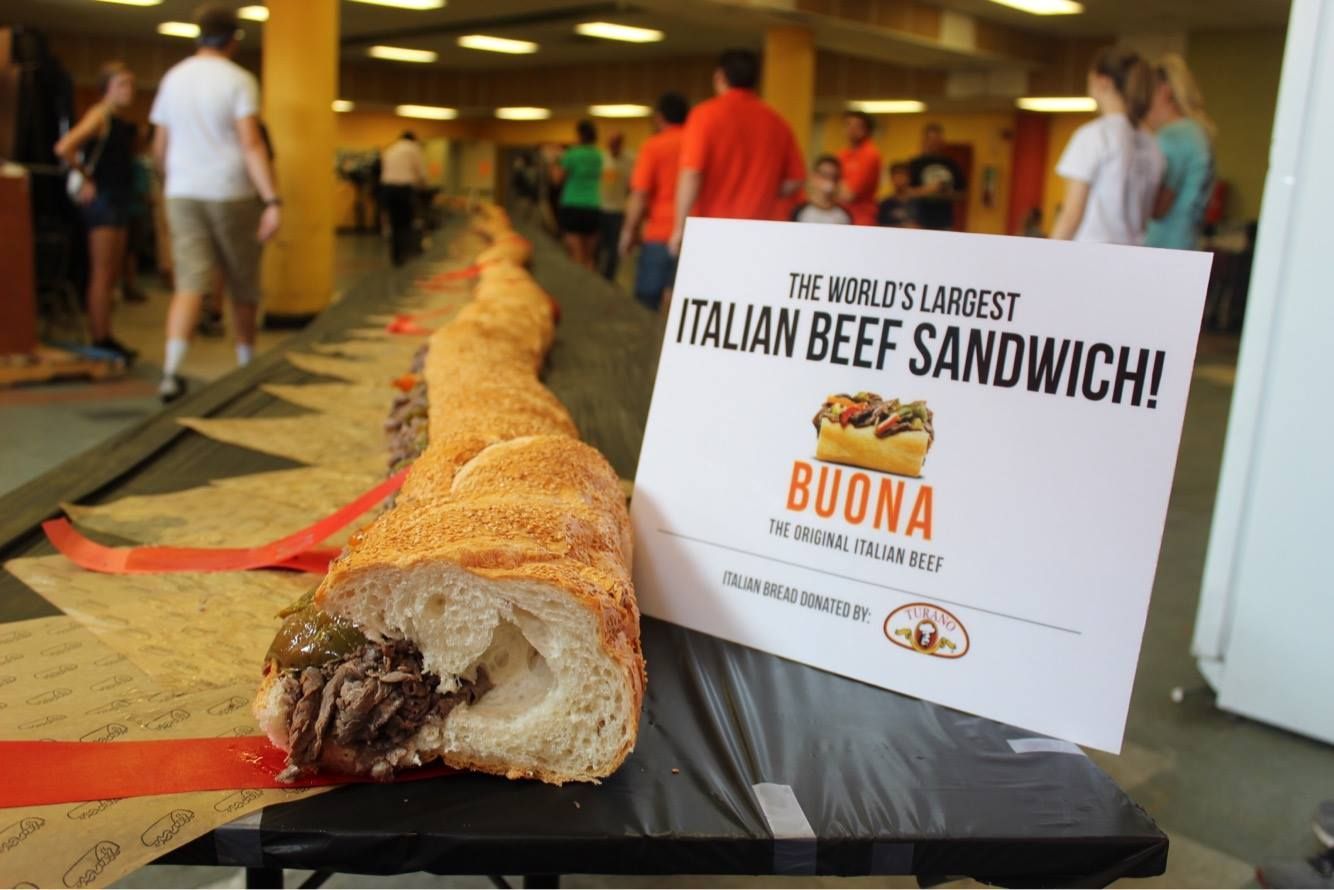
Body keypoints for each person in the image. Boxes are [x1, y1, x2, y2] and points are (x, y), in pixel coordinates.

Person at [149, 3, 281, 401]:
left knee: (190, 282)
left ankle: (171, 373)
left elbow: (159, 146)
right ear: (234, 39)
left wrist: (169, 181)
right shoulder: (239, 80)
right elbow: (251, 142)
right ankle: (245, 367)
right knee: (242, 279)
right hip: (230, 191)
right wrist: (272, 199)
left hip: (182, 192)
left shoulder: (174, 78)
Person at [671, 48, 805, 255]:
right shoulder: (777, 121)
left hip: (713, 231)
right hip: (761, 232)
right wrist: (764, 189)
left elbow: (692, 173)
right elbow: (795, 180)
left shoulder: (705, 115)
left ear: (719, 76)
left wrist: (680, 227)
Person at [53, 60, 139, 362]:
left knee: (111, 272)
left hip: (119, 198)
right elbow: (64, 147)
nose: (130, 91)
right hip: (103, 200)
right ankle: (100, 336)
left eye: (131, 84)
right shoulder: (99, 115)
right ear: (107, 88)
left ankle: (107, 333)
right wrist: (87, 178)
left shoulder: (118, 119)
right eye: (122, 85)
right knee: (102, 274)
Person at [1049, 47, 1164, 245]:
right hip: (1131, 254)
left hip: (1092, 255)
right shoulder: (1152, 144)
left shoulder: (1094, 136)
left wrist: (1046, 257)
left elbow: (1071, 215)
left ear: (1102, 82)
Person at [619, 92, 688, 313]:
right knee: (685, 309)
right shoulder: (697, 143)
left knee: (645, 305)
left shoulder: (654, 146)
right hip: (694, 235)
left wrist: (628, 231)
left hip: (660, 234)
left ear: (659, 117)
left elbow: (639, 194)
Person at [1144, 53, 1215, 250]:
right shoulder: (1196, 133)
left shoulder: (1173, 137)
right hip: (1186, 245)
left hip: (1162, 249)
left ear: (1164, 91)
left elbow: (1158, 208)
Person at [552, 119, 603, 269]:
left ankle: (580, 288)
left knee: (576, 255)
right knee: (589, 257)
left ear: (579, 135)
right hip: (593, 205)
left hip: (573, 204)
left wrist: (555, 160)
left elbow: (557, 180)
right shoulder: (598, 156)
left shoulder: (571, 154)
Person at [906, 123, 967, 231]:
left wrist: (945, 192)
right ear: (925, 141)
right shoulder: (915, 163)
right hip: (919, 219)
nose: (934, 143)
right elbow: (906, 192)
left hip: (944, 221)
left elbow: (962, 193)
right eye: (931, 139)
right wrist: (928, 190)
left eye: (937, 140)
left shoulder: (951, 164)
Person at [380, 130, 428, 266]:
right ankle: (406, 253)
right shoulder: (413, 148)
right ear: (413, 139)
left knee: (394, 223)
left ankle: (396, 255)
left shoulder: (391, 149)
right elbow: (421, 171)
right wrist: (424, 186)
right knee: (406, 223)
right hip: (403, 189)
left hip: (388, 189)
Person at [596, 132, 633, 281]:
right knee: (598, 246)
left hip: (618, 209)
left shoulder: (630, 159)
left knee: (614, 247)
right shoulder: (601, 159)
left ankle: (609, 277)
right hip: (600, 207)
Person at [836, 111, 881, 226]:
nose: (851, 129)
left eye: (857, 126)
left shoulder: (870, 154)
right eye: (848, 124)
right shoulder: (842, 155)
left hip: (861, 217)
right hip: (841, 215)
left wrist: (834, 186)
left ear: (866, 130)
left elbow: (849, 195)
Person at [791, 156, 852, 225]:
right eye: (824, 175)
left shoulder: (844, 215)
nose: (829, 180)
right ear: (814, 176)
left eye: (834, 176)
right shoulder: (800, 212)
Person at [876, 161, 916, 228]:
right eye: (896, 175)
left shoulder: (919, 202)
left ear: (909, 177)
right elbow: (881, 227)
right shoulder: (885, 204)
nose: (899, 178)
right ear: (891, 178)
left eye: (902, 174)